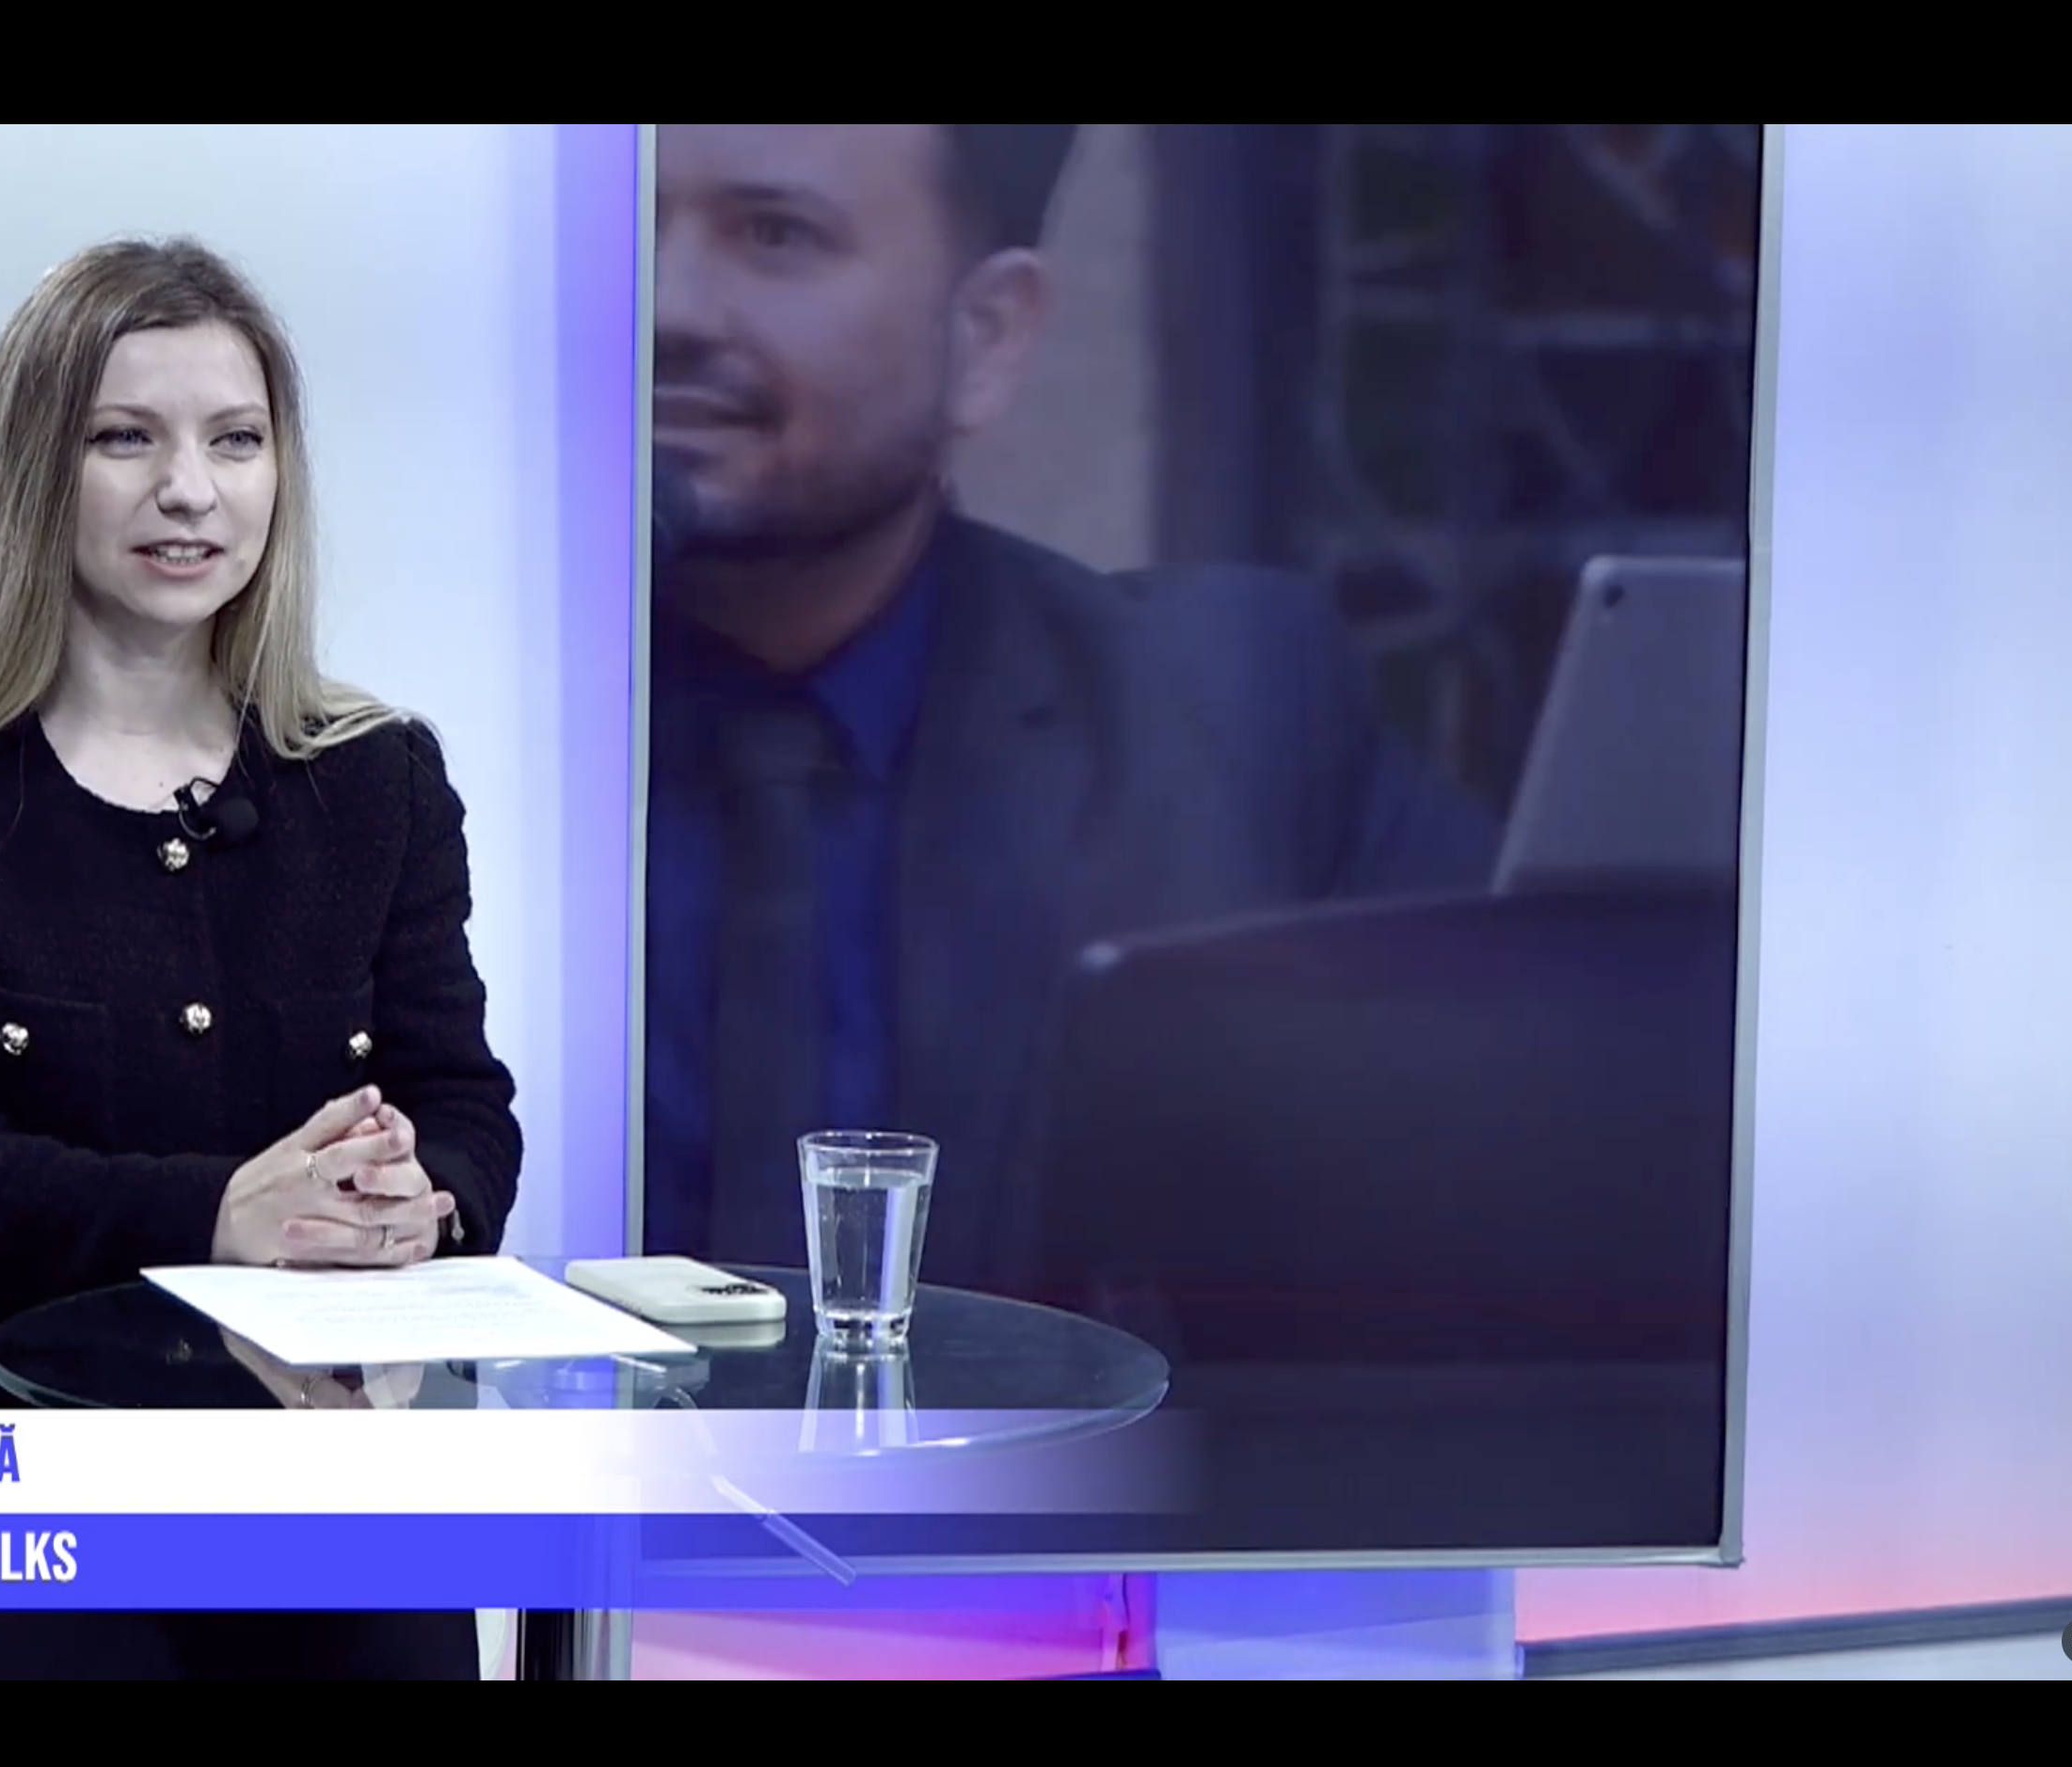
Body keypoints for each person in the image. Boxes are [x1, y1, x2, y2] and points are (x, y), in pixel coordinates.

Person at [0, 237, 518, 1679]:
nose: (192, 489)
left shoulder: (377, 780)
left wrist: (411, 1208)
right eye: (126, 438)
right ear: (33, 473)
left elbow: (461, 1099)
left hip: (294, 1459)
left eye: (236, 440)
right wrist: (219, 1216)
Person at [643, 125, 1500, 1293]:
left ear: (986, 335)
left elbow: (1515, 1168)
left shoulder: (1229, 728)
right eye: (629, 233)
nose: (668, 308)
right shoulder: (432, 729)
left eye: (775, 234)